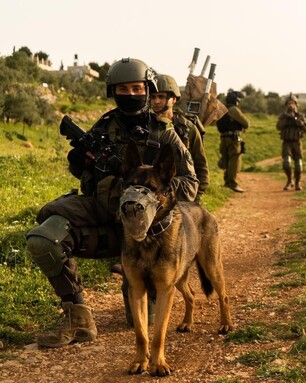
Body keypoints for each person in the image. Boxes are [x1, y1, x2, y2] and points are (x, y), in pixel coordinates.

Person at [25, 58, 199, 347]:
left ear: (148, 89)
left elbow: (190, 185)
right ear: (112, 91)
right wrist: (80, 162)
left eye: (136, 88)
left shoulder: (164, 133)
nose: (130, 95)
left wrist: (150, 184)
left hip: (147, 235)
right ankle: (77, 316)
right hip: (103, 217)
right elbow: (86, 174)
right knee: (44, 238)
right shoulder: (103, 128)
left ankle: (136, 287)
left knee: (145, 321)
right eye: (122, 89)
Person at [151, 73, 209, 200]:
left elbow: (200, 165)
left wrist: (196, 198)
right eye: (153, 97)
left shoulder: (187, 128)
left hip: (181, 194)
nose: (156, 101)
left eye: (161, 97)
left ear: (174, 99)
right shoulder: (145, 126)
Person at [216, 89, 250, 192]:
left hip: (224, 138)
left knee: (227, 161)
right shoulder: (233, 109)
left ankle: (227, 181)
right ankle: (232, 183)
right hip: (233, 140)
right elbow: (246, 123)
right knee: (234, 161)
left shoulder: (221, 109)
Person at [276, 94, 306, 191]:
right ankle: (289, 180)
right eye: (289, 104)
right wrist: (286, 119)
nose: (291, 105)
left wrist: (300, 123)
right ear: (286, 105)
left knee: (298, 164)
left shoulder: (300, 116)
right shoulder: (283, 116)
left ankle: (298, 182)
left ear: (296, 105)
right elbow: (278, 127)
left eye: (293, 103)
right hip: (287, 142)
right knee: (286, 162)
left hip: (297, 142)